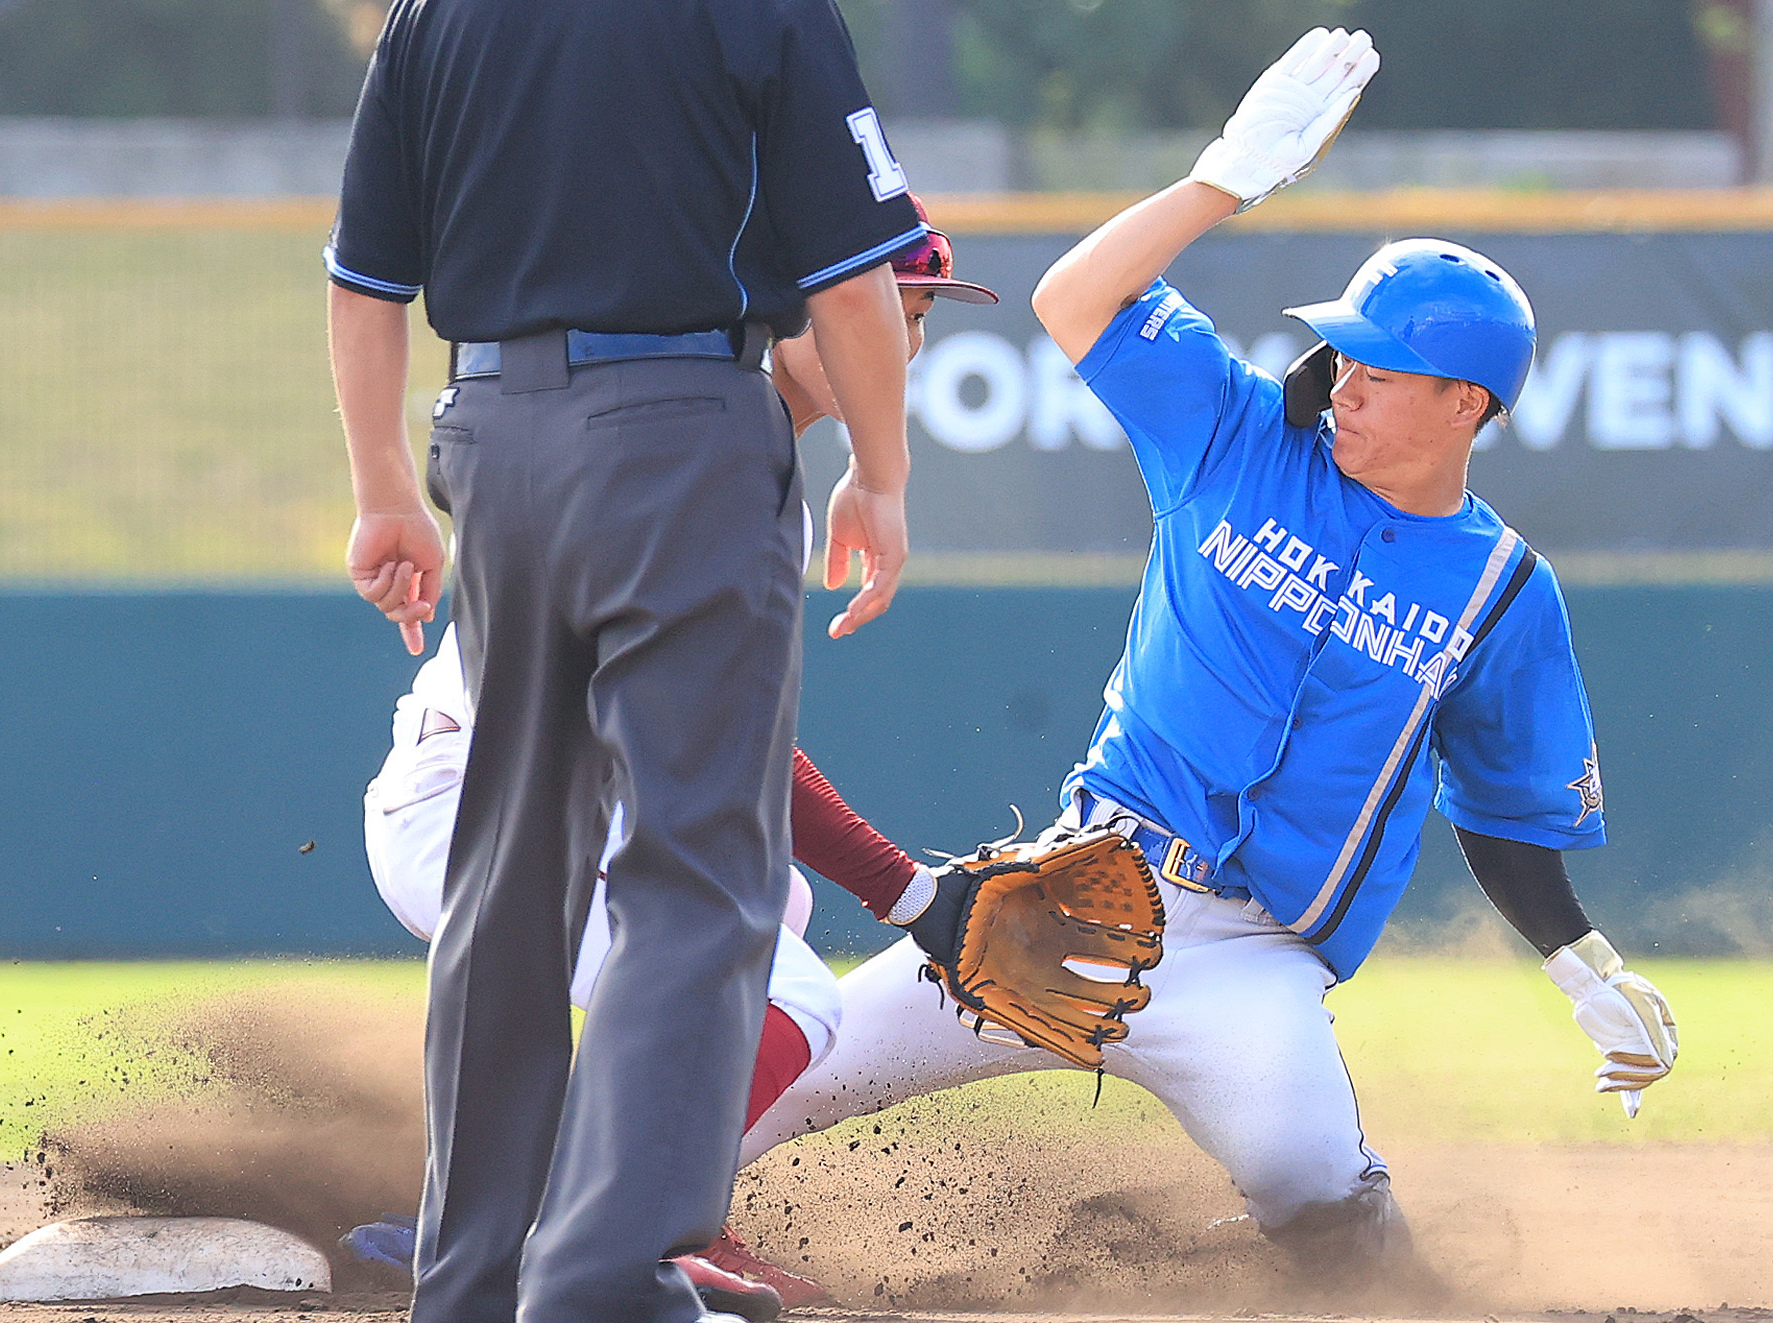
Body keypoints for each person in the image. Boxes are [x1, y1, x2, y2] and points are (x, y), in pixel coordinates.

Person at [739, 27, 1679, 1289]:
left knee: (1334, 1221)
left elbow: (1503, 809)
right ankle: (562, 1235)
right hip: (1067, 897)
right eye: (1342, 353)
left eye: (1382, 368)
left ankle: (1222, 1272)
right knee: (790, 1070)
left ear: (1467, 402)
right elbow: (1075, 300)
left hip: (1251, 959)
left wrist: (1579, 961)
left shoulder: (1502, 588)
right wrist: (1219, 183)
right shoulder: (1236, 438)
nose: (1344, 381)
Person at [322, 0, 924, 1315]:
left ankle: (472, 1280)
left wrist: (381, 489)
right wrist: (879, 476)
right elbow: (850, 279)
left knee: (511, 874)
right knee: (697, 878)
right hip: (680, 432)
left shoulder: (432, 14)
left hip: (490, 433)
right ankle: (604, 1279)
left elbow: (364, 277)